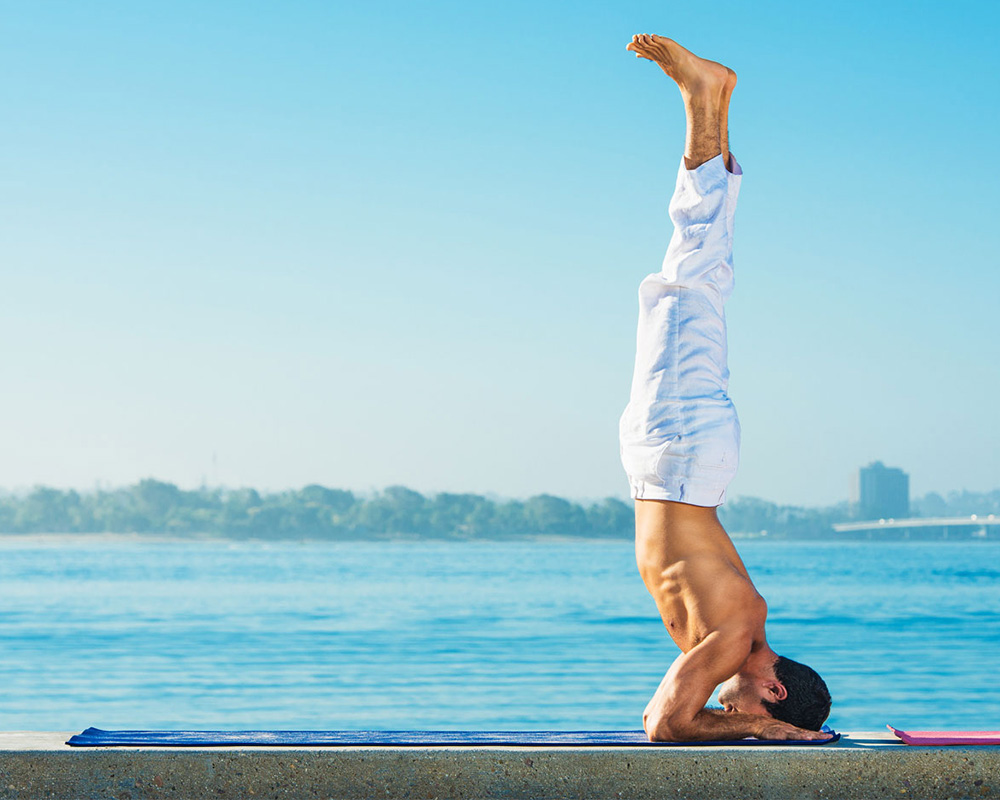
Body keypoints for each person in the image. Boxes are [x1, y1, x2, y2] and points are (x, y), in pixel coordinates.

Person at [619, 34, 833, 742]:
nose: (730, 713)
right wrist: (764, 733)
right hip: (678, 451)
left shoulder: (732, 637)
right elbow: (664, 725)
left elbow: (674, 718)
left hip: (678, 458)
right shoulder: (735, 638)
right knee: (691, 280)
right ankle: (703, 98)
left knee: (691, 283)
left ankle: (709, 101)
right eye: (746, 710)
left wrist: (757, 727)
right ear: (772, 688)